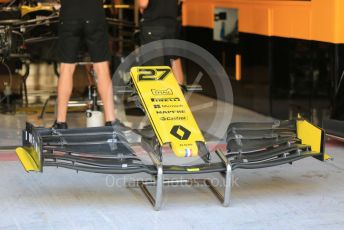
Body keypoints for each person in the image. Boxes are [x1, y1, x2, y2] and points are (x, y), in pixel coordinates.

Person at [54, 0, 117, 129]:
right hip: (94, 12)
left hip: (69, 13)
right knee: (102, 68)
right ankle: (111, 121)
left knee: (66, 68)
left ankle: (61, 122)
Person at [139, 0, 184, 84]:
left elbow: (143, 3)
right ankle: (179, 94)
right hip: (171, 25)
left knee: (153, 69)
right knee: (173, 61)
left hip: (153, 25)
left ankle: (158, 95)